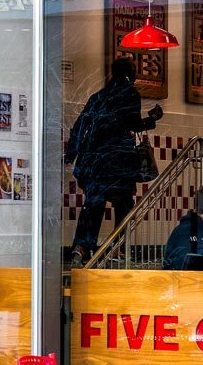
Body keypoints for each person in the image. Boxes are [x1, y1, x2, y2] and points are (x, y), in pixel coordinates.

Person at [65, 57, 163, 264]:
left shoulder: (97, 97)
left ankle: (81, 247)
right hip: (117, 160)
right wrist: (152, 119)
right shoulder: (129, 93)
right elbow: (133, 124)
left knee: (94, 203)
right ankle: (118, 248)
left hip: (93, 161)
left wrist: (72, 153)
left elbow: (80, 125)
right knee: (124, 203)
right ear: (130, 75)